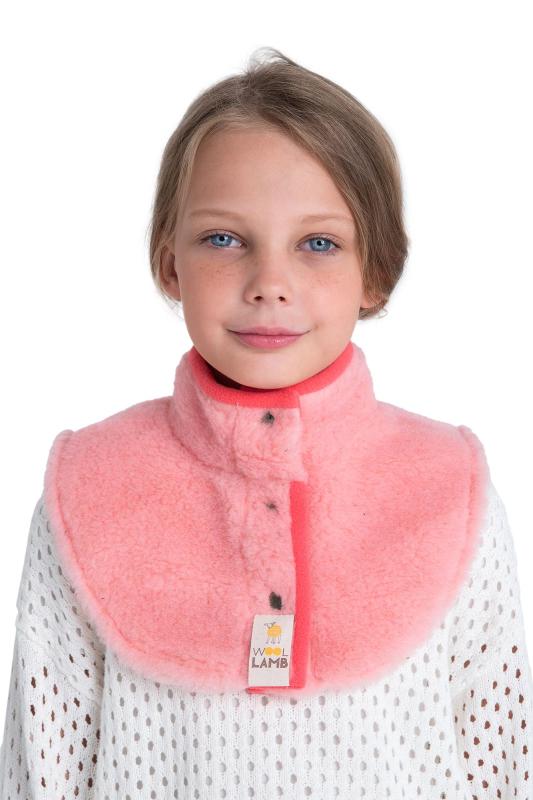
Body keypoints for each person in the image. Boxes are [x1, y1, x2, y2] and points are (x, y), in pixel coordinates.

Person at [1, 46, 531, 800]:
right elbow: (39, 771)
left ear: (376, 271)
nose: (270, 284)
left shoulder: (453, 489)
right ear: (169, 264)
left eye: (318, 244)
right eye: (224, 239)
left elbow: (503, 766)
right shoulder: (86, 489)